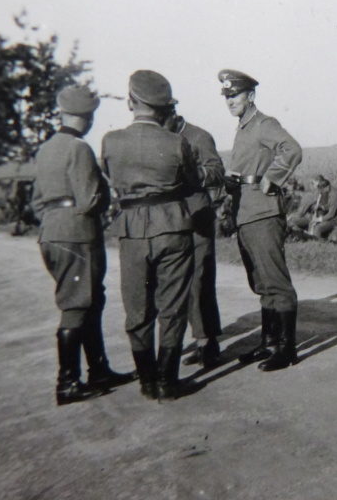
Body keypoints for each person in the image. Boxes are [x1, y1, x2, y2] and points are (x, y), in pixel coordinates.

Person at [32, 84, 134, 406]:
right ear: (88, 118)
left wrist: (55, 221)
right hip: (77, 234)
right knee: (77, 304)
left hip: (52, 231)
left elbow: (36, 203)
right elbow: (91, 198)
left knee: (88, 299)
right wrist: (106, 197)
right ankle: (67, 382)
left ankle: (99, 371)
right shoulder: (79, 148)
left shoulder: (46, 148)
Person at [101, 71, 200, 401]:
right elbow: (191, 182)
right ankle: (167, 381)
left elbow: (109, 176)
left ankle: (146, 381)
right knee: (172, 304)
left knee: (137, 306)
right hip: (172, 224)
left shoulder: (111, 141)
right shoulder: (176, 142)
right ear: (163, 108)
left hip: (131, 228)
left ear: (131, 102)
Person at [220, 68, 303, 371]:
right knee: (261, 281)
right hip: (246, 211)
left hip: (264, 212)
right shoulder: (244, 127)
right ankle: (269, 342)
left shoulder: (264, 124)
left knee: (275, 280)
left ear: (250, 95)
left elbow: (291, 148)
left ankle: (286, 348)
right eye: (226, 97)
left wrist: (273, 178)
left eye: (235, 95)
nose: (230, 101)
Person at [165, 105, 226, 369]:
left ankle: (208, 343)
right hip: (169, 217)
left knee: (200, 279)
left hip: (197, 212)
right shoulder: (159, 136)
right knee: (180, 281)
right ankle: (197, 338)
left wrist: (193, 173)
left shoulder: (199, 136)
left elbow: (216, 171)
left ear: (173, 112)